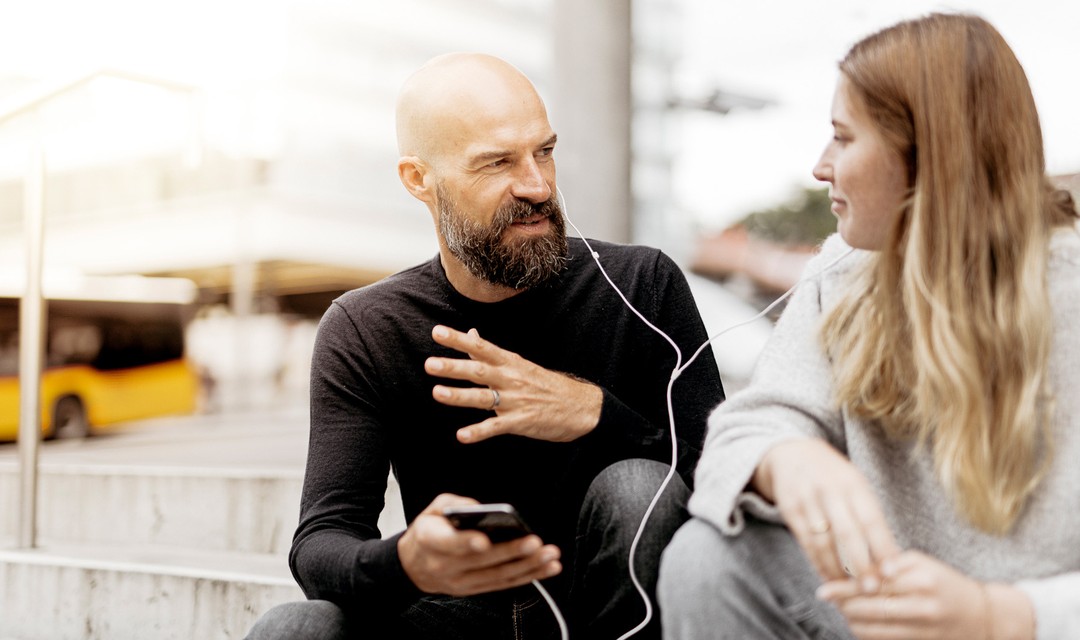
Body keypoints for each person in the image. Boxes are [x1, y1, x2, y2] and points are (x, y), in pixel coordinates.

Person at [245, 52, 724, 639]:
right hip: (451, 616)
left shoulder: (641, 285)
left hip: (604, 609)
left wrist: (596, 415)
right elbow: (323, 541)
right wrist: (406, 562)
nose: (537, 184)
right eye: (497, 162)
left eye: (544, 151)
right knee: (296, 627)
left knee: (637, 488)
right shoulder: (365, 327)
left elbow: (724, 482)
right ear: (419, 180)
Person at [659, 13, 1080, 640]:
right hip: (884, 617)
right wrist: (787, 456)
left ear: (929, 155)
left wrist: (1001, 616)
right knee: (708, 560)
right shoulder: (842, 274)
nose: (820, 166)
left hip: (1031, 626)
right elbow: (747, 426)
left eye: (844, 138)